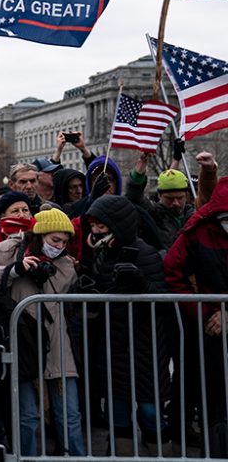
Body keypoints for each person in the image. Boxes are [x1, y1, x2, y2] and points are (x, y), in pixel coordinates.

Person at [0, 208, 86, 457]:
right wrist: (15, 270)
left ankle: (76, 456)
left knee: (69, 413)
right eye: (54, 240)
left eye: (64, 242)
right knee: (27, 415)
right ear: (38, 235)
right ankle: (26, 456)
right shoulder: (7, 250)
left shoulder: (67, 265)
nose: (59, 246)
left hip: (57, 345)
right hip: (21, 345)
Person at [85, 194, 173, 456]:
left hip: (144, 347)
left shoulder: (145, 254)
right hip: (113, 347)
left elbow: (165, 299)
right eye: (93, 225)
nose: (95, 231)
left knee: (150, 410)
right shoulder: (101, 255)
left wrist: (141, 284)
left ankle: (162, 455)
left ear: (118, 224)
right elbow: (100, 292)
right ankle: (121, 455)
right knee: (118, 410)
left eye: (101, 225)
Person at [164, 176, 228, 452]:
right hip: (210, 328)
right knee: (214, 397)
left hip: (219, 317)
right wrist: (205, 313)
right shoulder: (198, 232)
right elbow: (173, 272)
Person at [126, 154, 194, 251]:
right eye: (169, 199)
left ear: (186, 196)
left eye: (179, 198)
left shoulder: (194, 217)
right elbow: (134, 195)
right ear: (159, 195)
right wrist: (139, 172)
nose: (176, 203)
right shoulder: (153, 215)